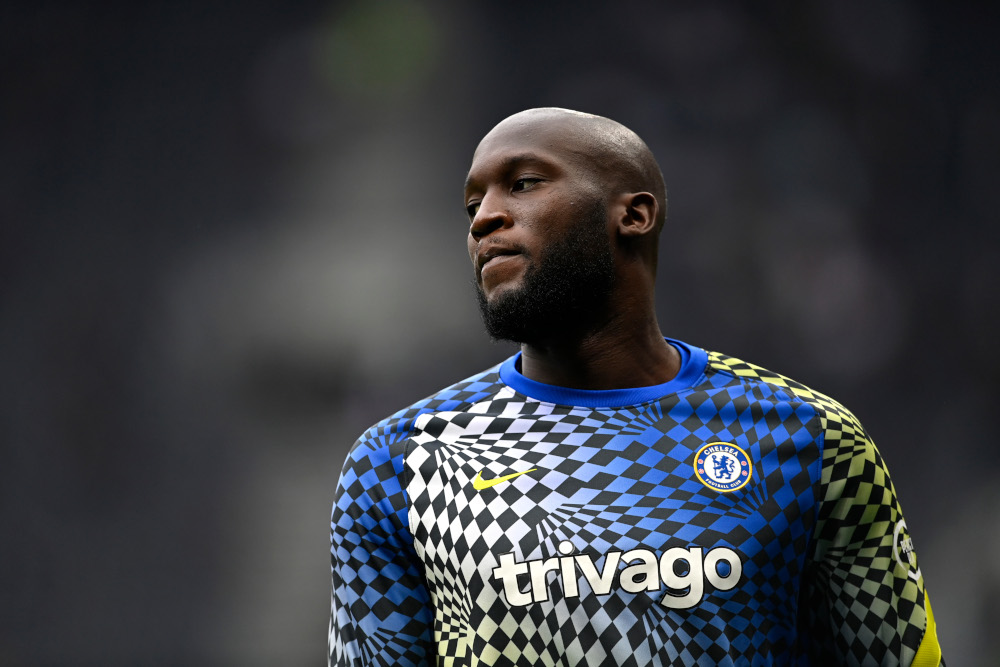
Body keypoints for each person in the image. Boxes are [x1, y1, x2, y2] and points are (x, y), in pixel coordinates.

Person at [328, 108, 943, 666]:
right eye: (472, 206)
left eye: (522, 183)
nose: (485, 217)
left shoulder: (808, 437)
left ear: (634, 214)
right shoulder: (401, 461)